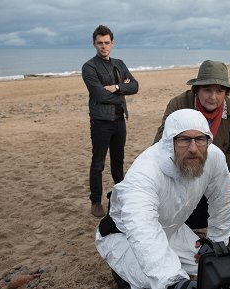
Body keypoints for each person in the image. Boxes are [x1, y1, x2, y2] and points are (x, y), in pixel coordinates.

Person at [95, 109, 230, 289]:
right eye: (184, 139)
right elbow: (142, 229)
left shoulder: (213, 156)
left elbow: (223, 199)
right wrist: (173, 281)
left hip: (173, 230)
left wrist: (216, 241)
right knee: (158, 280)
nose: (193, 148)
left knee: (214, 266)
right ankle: (123, 275)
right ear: (170, 142)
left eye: (200, 139)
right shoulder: (145, 172)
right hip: (125, 236)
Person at [153, 60, 230, 229]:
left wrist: (213, 174)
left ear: (226, 93)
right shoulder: (178, 104)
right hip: (179, 169)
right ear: (197, 89)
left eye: (220, 91)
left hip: (210, 171)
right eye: (207, 89)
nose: (213, 97)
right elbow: (161, 143)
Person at [82, 25, 139, 217]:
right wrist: (123, 90)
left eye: (107, 43)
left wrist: (115, 87)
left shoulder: (119, 63)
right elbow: (98, 95)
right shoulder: (89, 67)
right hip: (101, 122)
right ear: (94, 44)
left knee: (118, 161)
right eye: (100, 43)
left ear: (112, 43)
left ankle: (120, 195)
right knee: (98, 163)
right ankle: (96, 201)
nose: (103, 46)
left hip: (119, 120)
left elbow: (135, 86)